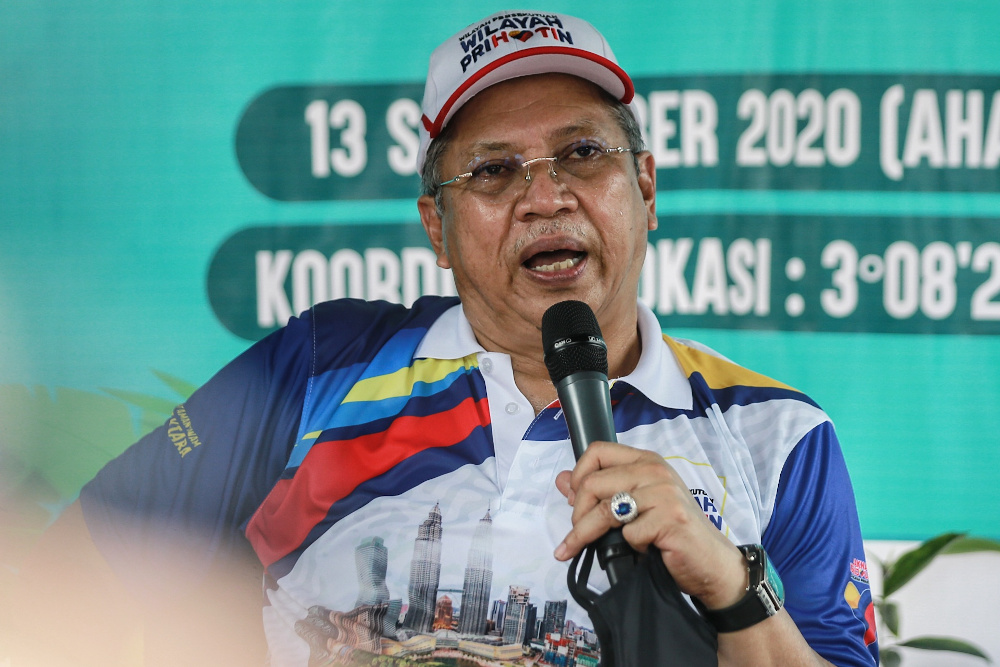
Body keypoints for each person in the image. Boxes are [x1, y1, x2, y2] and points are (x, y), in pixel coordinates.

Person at [9, 10, 878, 667]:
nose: (547, 199)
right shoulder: (320, 369)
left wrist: (732, 589)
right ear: (437, 224)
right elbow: (72, 572)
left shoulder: (777, 436)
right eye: (495, 170)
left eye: (583, 154)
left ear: (645, 187)